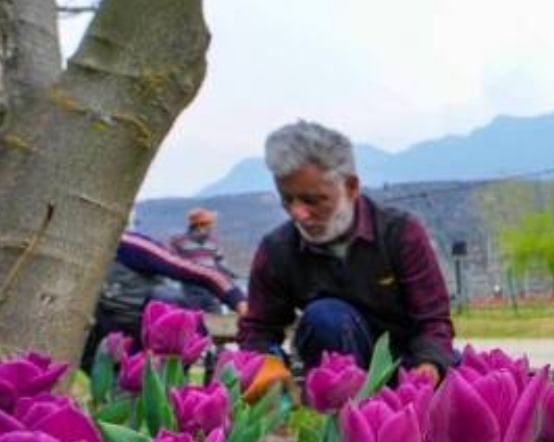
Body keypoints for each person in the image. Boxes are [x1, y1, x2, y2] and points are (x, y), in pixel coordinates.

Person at [237, 120, 454, 388]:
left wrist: (427, 370)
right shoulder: (278, 250)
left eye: (312, 200)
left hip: (408, 366)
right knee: (325, 317)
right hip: (337, 371)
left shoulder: (400, 234)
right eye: (287, 200)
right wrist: (265, 367)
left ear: (351, 188)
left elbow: (432, 321)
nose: (298, 213)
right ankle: (339, 413)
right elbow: (258, 329)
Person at [81, 230, 248, 371]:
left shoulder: (128, 246)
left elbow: (204, 274)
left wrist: (239, 302)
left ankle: (168, 368)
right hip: (101, 337)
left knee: (168, 297)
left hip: (146, 330)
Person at [168, 207, 237, 311]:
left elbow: (219, 261)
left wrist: (230, 274)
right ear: (200, 225)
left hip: (211, 288)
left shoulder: (213, 241)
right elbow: (171, 261)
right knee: (194, 316)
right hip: (191, 289)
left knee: (216, 316)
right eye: (210, 223)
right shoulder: (178, 241)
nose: (213, 226)